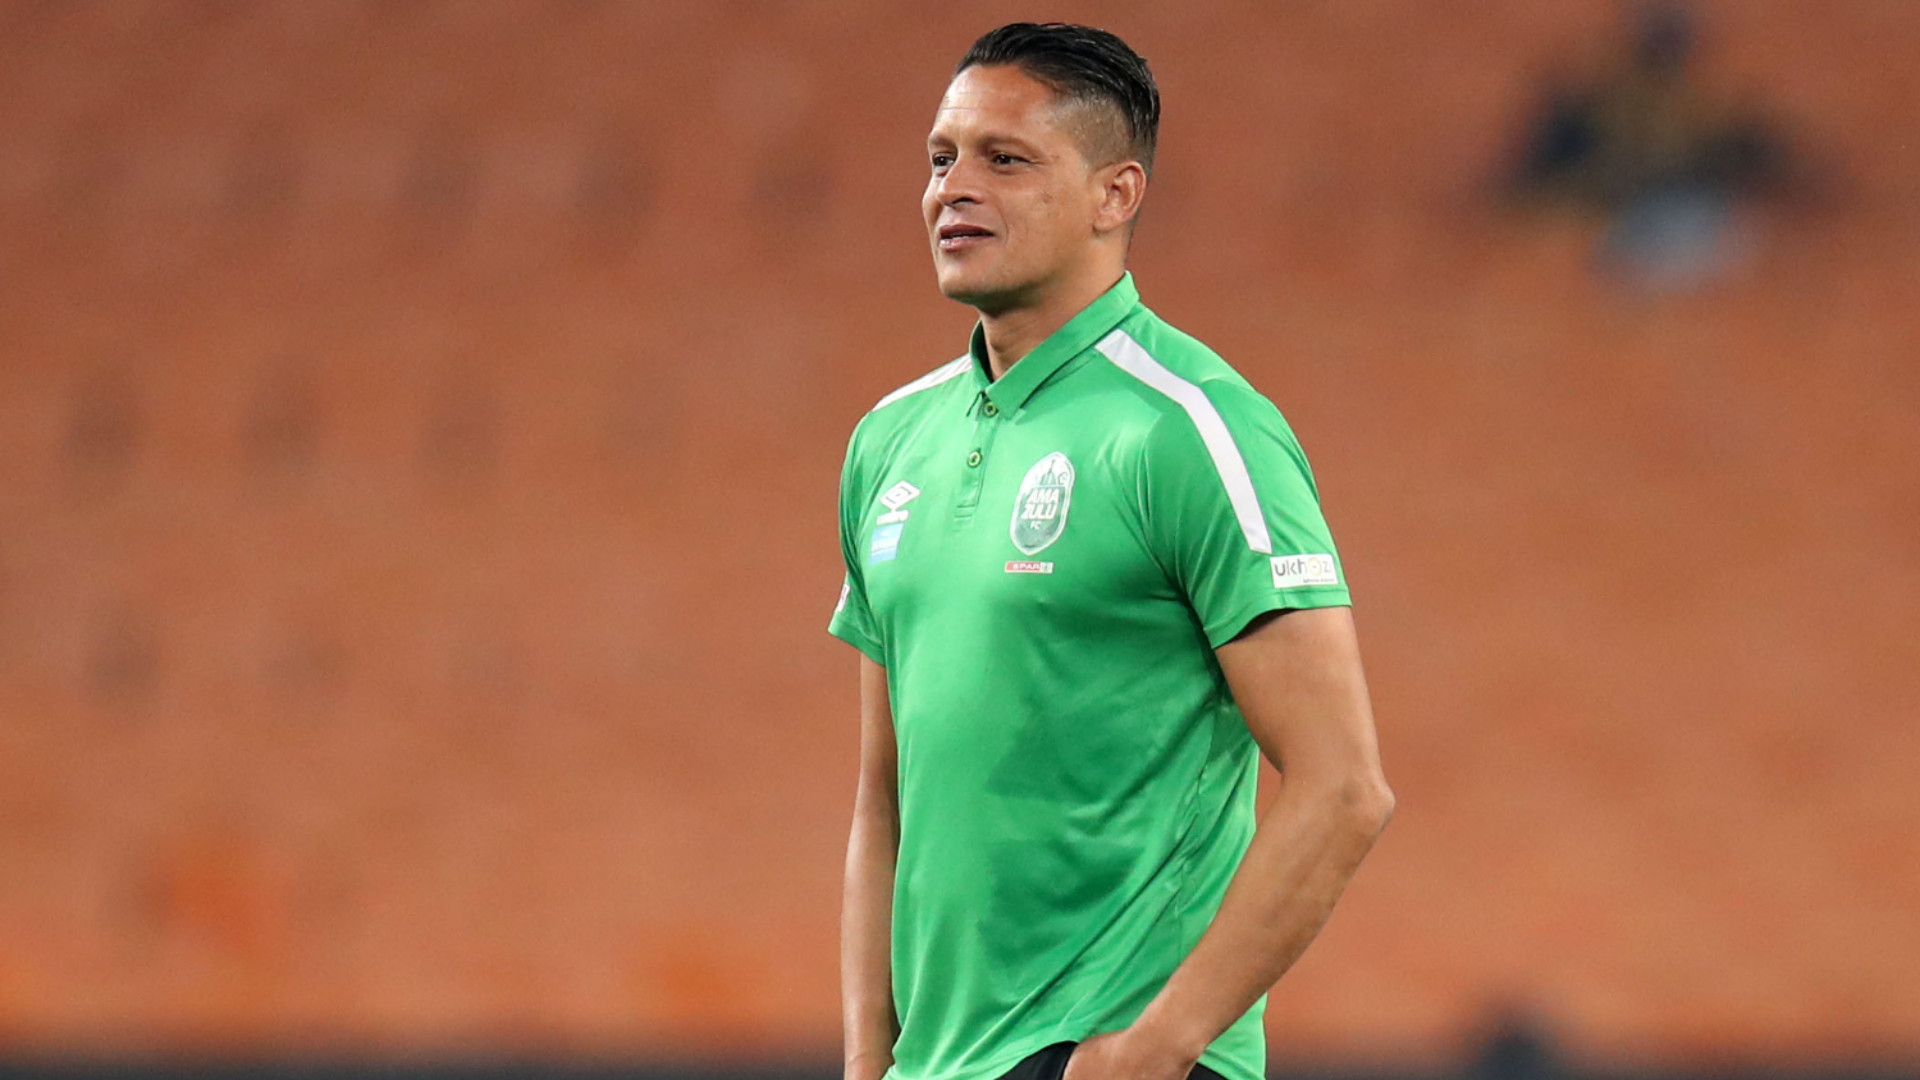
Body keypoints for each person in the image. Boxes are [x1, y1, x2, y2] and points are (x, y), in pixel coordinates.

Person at [830, 23, 1393, 1080]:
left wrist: (1157, 1048)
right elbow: (885, 795)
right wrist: (869, 1058)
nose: (955, 188)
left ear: (1115, 195)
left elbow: (1344, 789)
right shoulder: (888, 443)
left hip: (1106, 1054)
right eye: (942, 158)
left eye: (1006, 159)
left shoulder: (1192, 429)